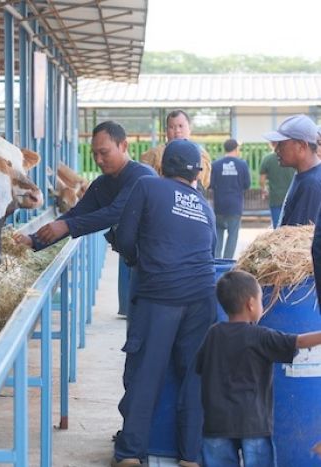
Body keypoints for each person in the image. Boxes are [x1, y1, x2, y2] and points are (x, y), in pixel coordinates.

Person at [111, 139, 217, 467]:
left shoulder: (147, 187)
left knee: (147, 374)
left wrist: (138, 260)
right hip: (203, 297)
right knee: (194, 378)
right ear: (197, 172)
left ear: (162, 166)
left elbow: (126, 238)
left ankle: (130, 454)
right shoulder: (204, 206)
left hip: (159, 297)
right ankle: (190, 456)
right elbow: (210, 248)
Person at [13, 121, 156, 318]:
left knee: (149, 326)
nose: (98, 159)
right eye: (94, 153)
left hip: (158, 265)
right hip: (137, 262)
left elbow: (116, 213)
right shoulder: (102, 184)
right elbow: (76, 213)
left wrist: (66, 225)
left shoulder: (142, 177)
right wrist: (33, 240)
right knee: (137, 326)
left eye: (104, 152)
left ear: (123, 146)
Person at [196, 270, 321, 467]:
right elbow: (299, 341)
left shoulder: (213, 334)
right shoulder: (261, 336)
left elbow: (200, 367)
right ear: (251, 304)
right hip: (253, 425)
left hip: (216, 424)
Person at [263, 114, 321, 226]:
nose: (276, 150)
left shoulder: (311, 184)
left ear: (302, 146)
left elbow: (300, 240)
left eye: (282, 144)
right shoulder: (304, 176)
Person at [140, 109, 212, 190]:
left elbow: (204, 182)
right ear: (166, 130)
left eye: (181, 126)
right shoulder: (154, 155)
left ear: (189, 128)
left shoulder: (201, 155)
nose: (177, 131)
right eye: (172, 127)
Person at [210, 138, 251, 258]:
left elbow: (211, 184)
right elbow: (247, 184)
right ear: (236, 149)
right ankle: (227, 264)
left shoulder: (216, 165)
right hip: (235, 205)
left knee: (218, 233)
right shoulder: (242, 165)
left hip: (219, 205)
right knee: (232, 235)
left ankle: (216, 261)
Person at [259, 147, 294, 228]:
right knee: (293, 227)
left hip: (275, 198)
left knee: (278, 227)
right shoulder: (293, 158)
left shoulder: (267, 159)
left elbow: (261, 180)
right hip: (292, 196)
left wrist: (264, 190)